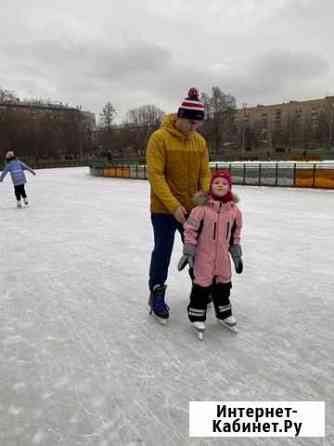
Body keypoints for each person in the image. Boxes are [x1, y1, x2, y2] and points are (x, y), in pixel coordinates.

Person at [146, 87, 211, 324]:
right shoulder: (159, 138)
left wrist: (204, 199)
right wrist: (173, 206)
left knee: (198, 249)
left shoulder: (200, 142)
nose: (196, 129)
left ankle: (201, 287)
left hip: (192, 209)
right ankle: (156, 293)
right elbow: (155, 175)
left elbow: (205, 173)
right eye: (193, 123)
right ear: (182, 117)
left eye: (199, 125)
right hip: (164, 209)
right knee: (162, 251)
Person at [178, 170, 243, 334]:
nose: (220, 185)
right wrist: (189, 252)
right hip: (203, 256)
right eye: (217, 182)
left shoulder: (235, 212)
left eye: (224, 183)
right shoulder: (201, 209)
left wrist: (236, 254)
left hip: (222, 257)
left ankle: (224, 314)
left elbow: (236, 234)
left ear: (229, 187)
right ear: (211, 186)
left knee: (224, 285)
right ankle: (197, 316)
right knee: (201, 286)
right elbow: (190, 230)